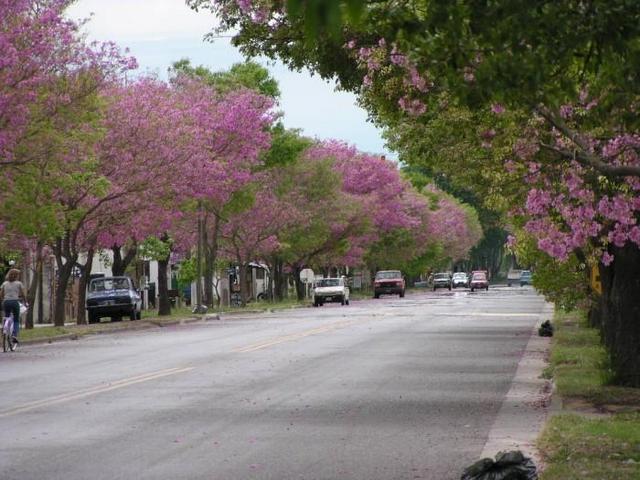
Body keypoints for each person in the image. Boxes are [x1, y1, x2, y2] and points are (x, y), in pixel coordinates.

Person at [1, 268, 27, 341]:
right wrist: (26, 301)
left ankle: (5, 330)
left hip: (6, 302)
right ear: (16, 276)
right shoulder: (19, 283)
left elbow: (1, 294)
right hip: (15, 302)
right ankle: (14, 335)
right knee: (16, 319)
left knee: (6, 316)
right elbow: (23, 294)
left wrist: (3, 300)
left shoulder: (4, 283)